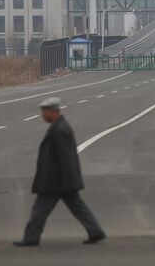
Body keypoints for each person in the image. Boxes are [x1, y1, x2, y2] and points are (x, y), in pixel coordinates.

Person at [13, 97, 106, 247]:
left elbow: (67, 158)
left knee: (39, 210)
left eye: (44, 112)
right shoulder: (58, 126)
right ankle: (95, 231)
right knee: (77, 207)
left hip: (56, 181)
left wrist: (68, 182)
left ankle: (30, 238)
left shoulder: (60, 130)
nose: (42, 116)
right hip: (61, 181)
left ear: (52, 112)